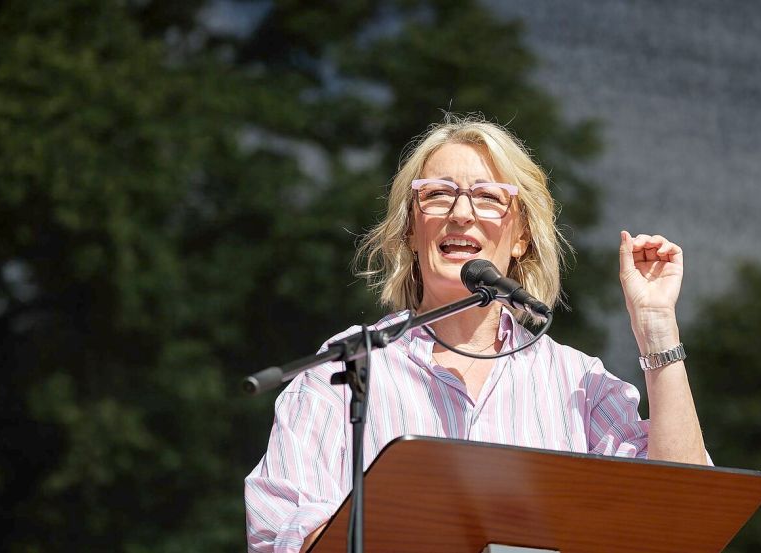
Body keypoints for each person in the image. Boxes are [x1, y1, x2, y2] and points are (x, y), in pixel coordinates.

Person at [245, 114, 708, 552]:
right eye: (438, 194)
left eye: (488, 197)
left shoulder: (576, 381)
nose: (461, 213)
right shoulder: (348, 366)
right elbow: (279, 529)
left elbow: (683, 511)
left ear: (522, 236)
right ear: (409, 228)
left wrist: (656, 327)